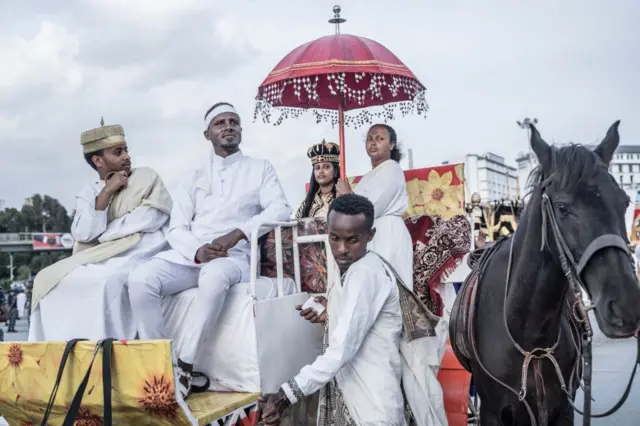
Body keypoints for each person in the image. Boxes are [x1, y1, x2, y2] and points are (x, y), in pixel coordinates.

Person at [127, 102, 292, 399]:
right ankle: (162, 366)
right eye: (220, 123)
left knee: (214, 276)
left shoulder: (260, 168)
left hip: (235, 258)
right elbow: (176, 227)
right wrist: (198, 250)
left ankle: (186, 368)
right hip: (193, 255)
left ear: (240, 129)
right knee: (140, 280)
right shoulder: (193, 174)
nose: (228, 126)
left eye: (233, 122)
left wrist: (238, 233)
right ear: (207, 134)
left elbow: (280, 208)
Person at [261, 193, 447, 426]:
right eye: (334, 238)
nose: (341, 249)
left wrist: (284, 395)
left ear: (370, 235)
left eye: (352, 240)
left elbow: (340, 351)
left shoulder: (365, 273)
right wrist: (330, 311)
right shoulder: (357, 268)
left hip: (372, 407)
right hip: (363, 401)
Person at [28, 121, 173, 341]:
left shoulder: (146, 177)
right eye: (118, 152)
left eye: (126, 150)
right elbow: (84, 234)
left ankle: (107, 351)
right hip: (98, 257)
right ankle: (62, 354)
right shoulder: (89, 193)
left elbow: (150, 219)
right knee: (48, 280)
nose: (126, 156)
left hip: (142, 250)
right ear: (98, 161)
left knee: (108, 282)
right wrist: (107, 191)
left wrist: (104, 234)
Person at [335, 123, 414, 290]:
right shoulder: (370, 175)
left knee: (389, 290)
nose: (373, 142)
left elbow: (371, 207)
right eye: (370, 138)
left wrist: (348, 194)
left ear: (392, 145)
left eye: (380, 138)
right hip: (372, 236)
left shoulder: (392, 169)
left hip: (388, 235)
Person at [295, 140, 341, 220]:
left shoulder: (342, 196)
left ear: (335, 171)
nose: (321, 171)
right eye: (317, 168)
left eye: (326, 167)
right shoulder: (306, 203)